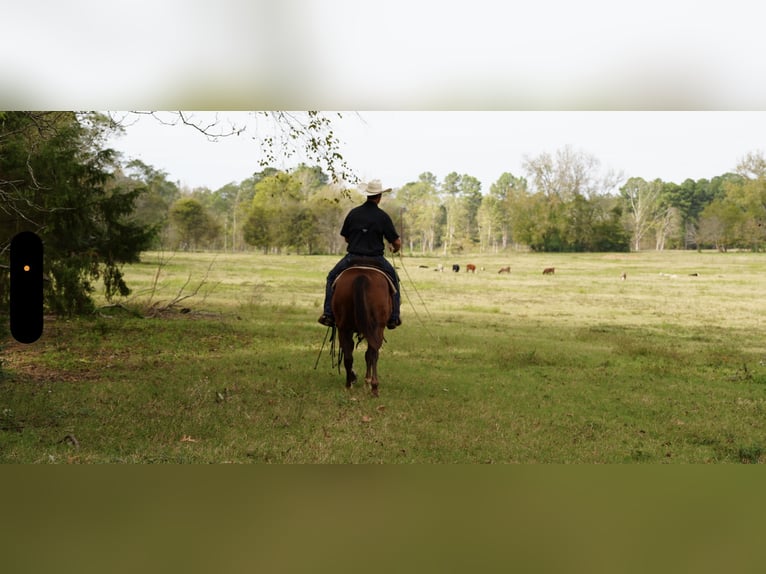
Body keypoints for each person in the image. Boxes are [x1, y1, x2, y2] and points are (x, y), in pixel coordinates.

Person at [318, 180, 402, 329]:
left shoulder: (353, 213)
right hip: (376, 259)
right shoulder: (383, 216)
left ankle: (328, 314)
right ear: (379, 196)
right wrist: (394, 249)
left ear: (367, 195)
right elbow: (396, 243)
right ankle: (394, 317)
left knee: (331, 277)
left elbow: (346, 237)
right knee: (394, 280)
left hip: (352, 258)